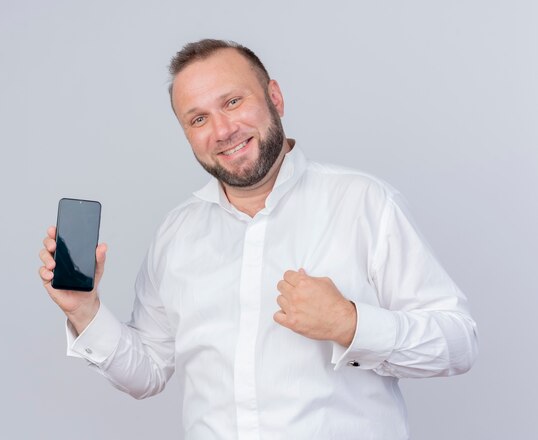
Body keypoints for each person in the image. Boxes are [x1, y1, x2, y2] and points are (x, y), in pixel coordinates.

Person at [39, 39, 478, 439]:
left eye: (232, 101)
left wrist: (350, 323)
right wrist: (85, 311)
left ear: (275, 97)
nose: (223, 130)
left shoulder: (364, 203)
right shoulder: (177, 234)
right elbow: (148, 372)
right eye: (199, 118)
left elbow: (458, 343)